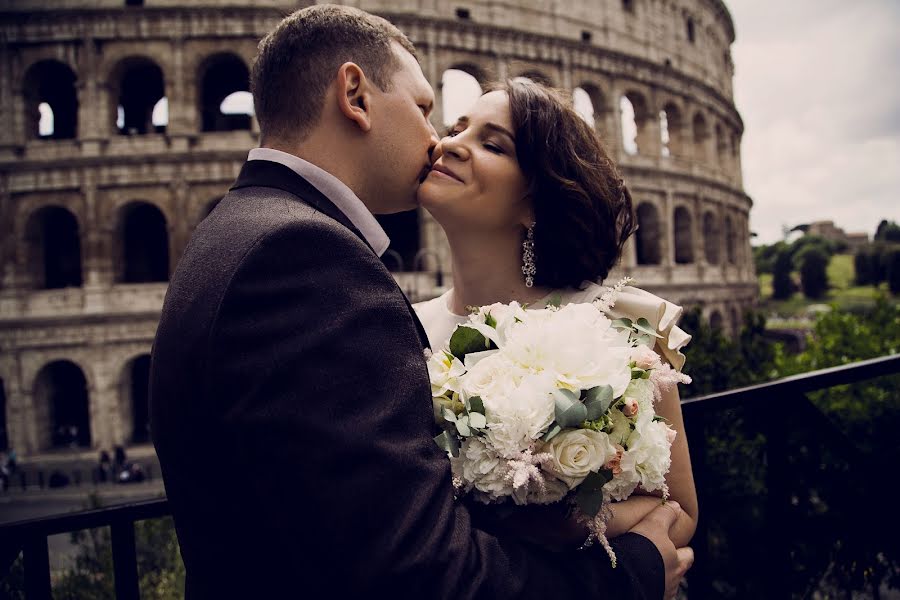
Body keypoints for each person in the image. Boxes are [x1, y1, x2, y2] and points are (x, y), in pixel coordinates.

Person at [150, 5, 688, 598]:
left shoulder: (242, 235)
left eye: (492, 142)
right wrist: (624, 573)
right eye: (430, 112)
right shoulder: (304, 258)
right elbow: (419, 567)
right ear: (354, 94)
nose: (439, 142)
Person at [414, 80, 699, 547]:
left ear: (534, 201)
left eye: (491, 144)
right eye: (455, 129)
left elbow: (680, 508)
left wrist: (565, 529)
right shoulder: (407, 327)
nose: (448, 145)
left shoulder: (618, 324)